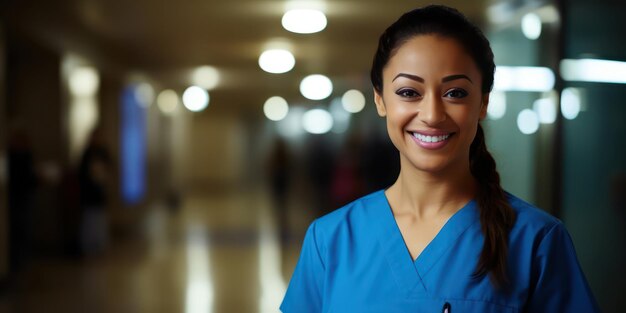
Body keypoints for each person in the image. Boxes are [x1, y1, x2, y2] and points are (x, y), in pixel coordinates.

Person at [281, 5, 599, 312]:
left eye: (455, 93)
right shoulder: (330, 240)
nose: (432, 114)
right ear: (380, 100)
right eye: (409, 92)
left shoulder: (535, 240)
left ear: (483, 103)